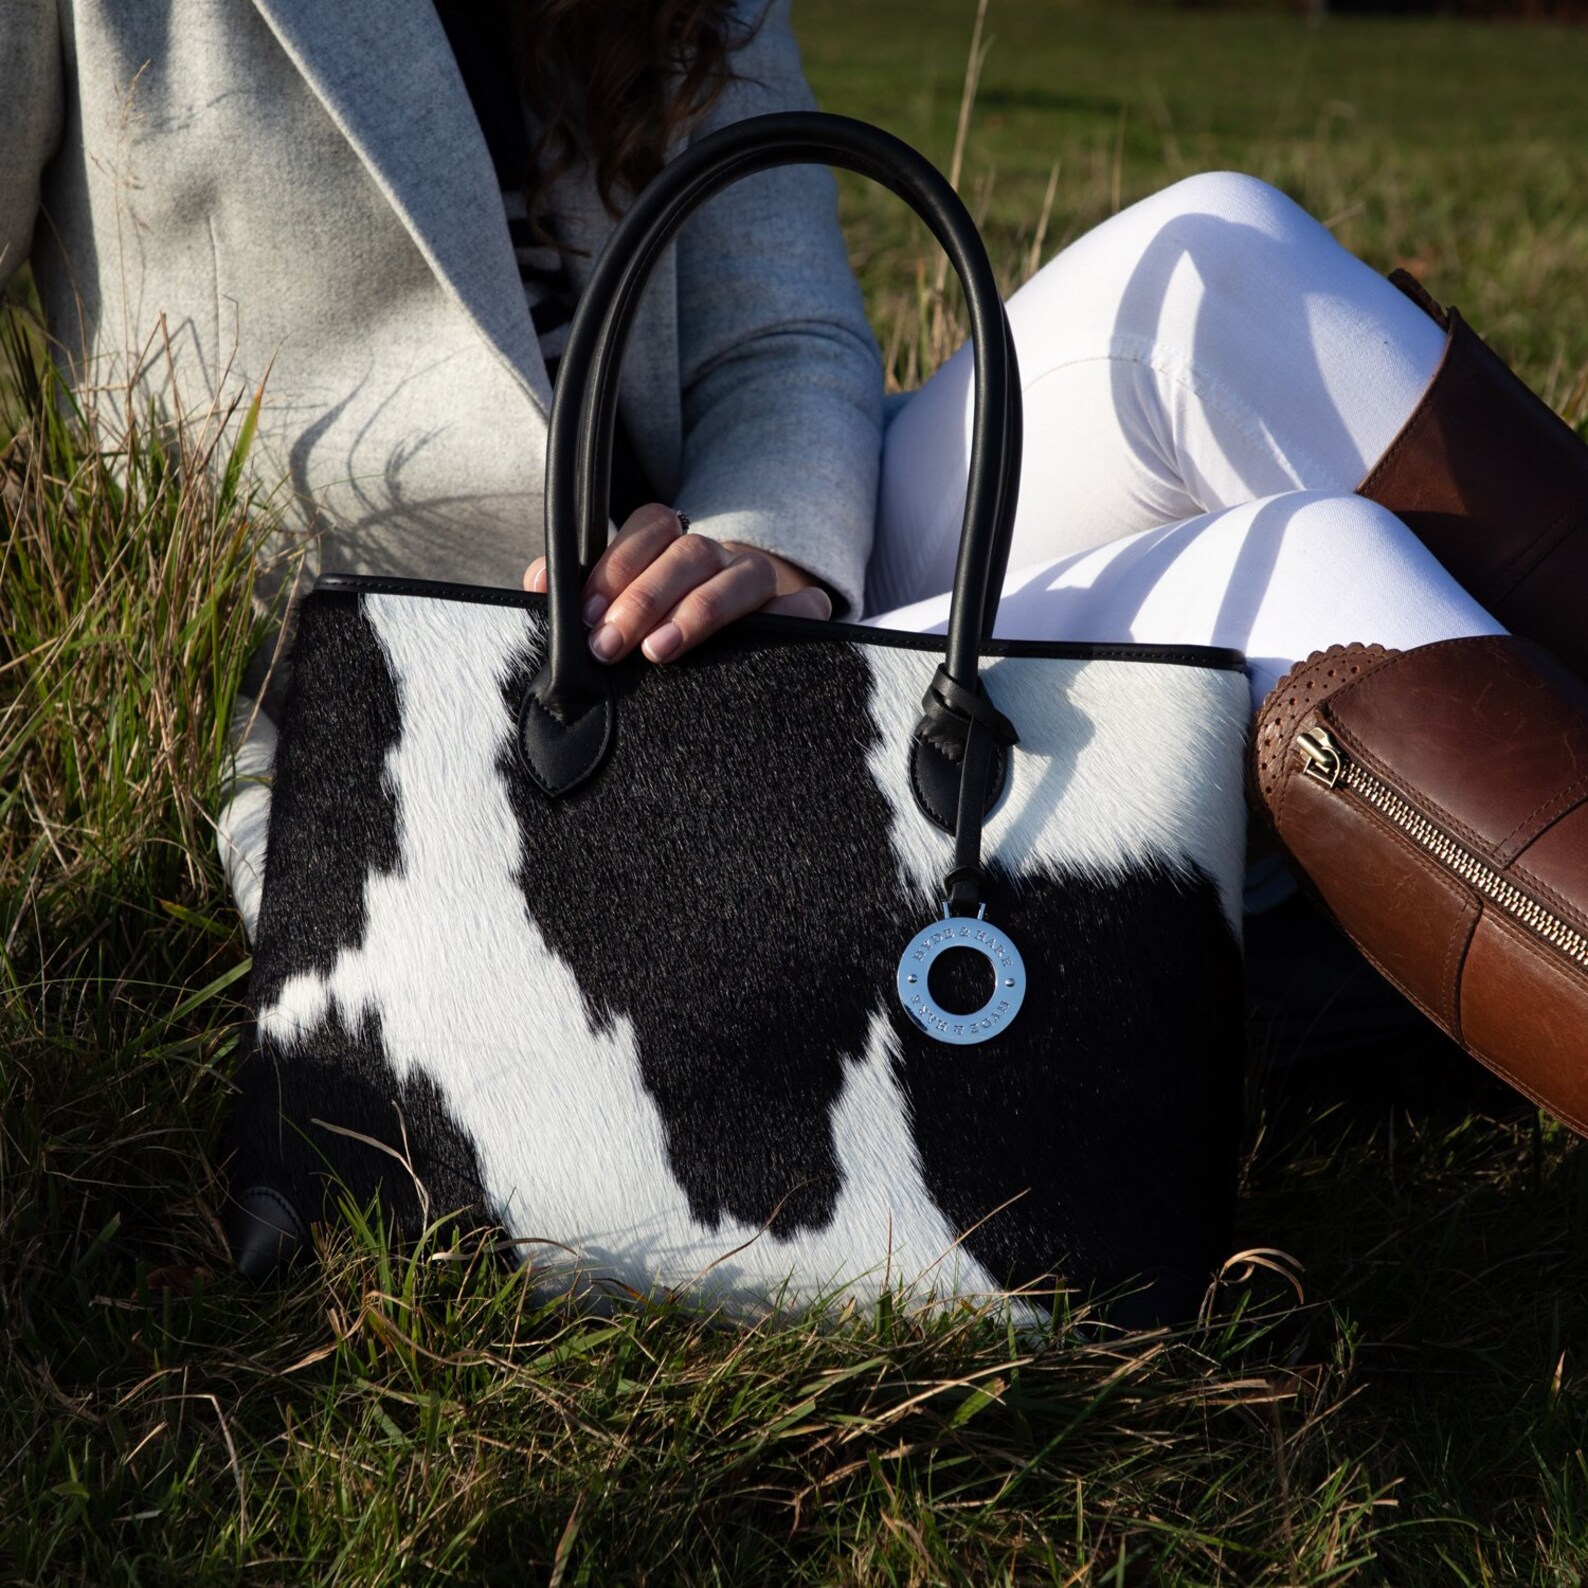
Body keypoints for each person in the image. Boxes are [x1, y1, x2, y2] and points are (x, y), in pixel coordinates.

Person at [3, 0, 1585, 1082]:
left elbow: (788, 341)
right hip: (463, 739)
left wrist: (770, 550)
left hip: (765, 602)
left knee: (1213, 261)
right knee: (1313, 576)